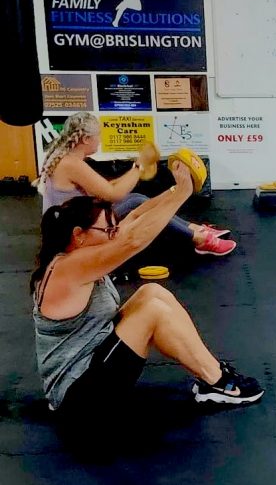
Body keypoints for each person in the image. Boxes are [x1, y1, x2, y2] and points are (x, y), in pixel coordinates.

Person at [32, 165, 264, 418]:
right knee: (152, 311)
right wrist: (183, 193)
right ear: (79, 235)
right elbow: (133, 240)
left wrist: (178, 189)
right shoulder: (69, 267)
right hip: (77, 398)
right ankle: (219, 383)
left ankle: (214, 375)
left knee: (151, 293)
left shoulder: (76, 255)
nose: (114, 236)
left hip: (91, 365)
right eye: (107, 231)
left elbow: (132, 220)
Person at [38, 113, 234, 258]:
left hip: (70, 221)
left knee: (135, 198)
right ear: (86, 139)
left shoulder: (67, 159)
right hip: (71, 234)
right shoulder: (72, 164)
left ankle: (194, 229)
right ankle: (198, 238)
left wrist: (137, 168)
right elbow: (113, 194)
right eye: (98, 135)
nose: (100, 140)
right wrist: (139, 166)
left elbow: (104, 189)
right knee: (134, 204)